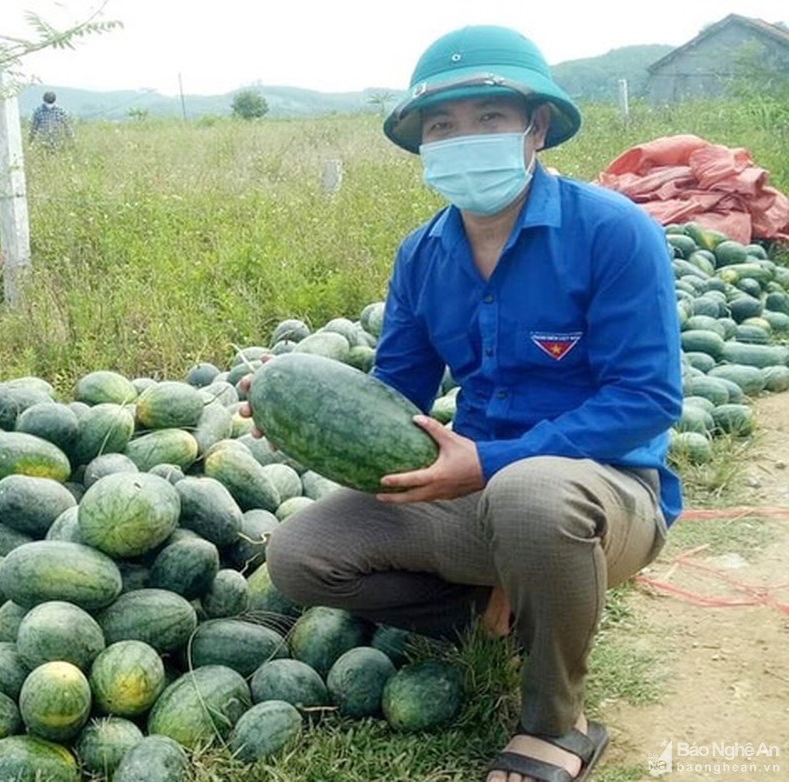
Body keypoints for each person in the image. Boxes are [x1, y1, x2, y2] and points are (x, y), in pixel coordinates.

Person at [250, 25, 682, 782]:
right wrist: (297, 416)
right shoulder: (423, 253)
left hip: (602, 494)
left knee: (529, 493)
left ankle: (558, 722)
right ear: (423, 147)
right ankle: (508, 617)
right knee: (300, 555)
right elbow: (397, 397)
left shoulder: (614, 232)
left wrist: (491, 460)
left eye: (489, 118)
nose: (463, 137)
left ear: (535, 127)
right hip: (470, 489)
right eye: (442, 126)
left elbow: (646, 400)